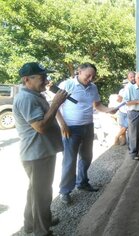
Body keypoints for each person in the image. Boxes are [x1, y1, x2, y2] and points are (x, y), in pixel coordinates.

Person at [13, 62, 68, 235]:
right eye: (42, 77)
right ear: (27, 79)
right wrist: (56, 104)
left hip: (40, 153)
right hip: (37, 154)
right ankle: (41, 231)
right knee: (41, 195)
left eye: (45, 76)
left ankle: (33, 224)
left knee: (36, 193)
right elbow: (41, 127)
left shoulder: (34, 95)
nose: (46, 80)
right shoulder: (27, 98)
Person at [56, 63, 118, 204]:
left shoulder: (93, 87)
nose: (90, 79)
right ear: (79, 71)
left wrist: (109, 110)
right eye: (88, 75)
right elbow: (55, 105)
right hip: (71, 128)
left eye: (93, 76)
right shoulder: (67, 84)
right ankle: (65, 191)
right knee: (69, 161)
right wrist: (63, 124)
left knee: (86, 157)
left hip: (88, 126)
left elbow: (97, 106)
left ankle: (82, 183)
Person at [114, 79, 130, 146]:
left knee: (125, 126)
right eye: (124, 84)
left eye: (126, 83)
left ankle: (117, 136)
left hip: (129, 111)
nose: (125, 85)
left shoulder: (131, 90)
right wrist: (118, 99)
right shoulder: (121, 91)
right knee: (121, 127)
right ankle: (123, 141)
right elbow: (119, 101)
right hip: (121, 111)